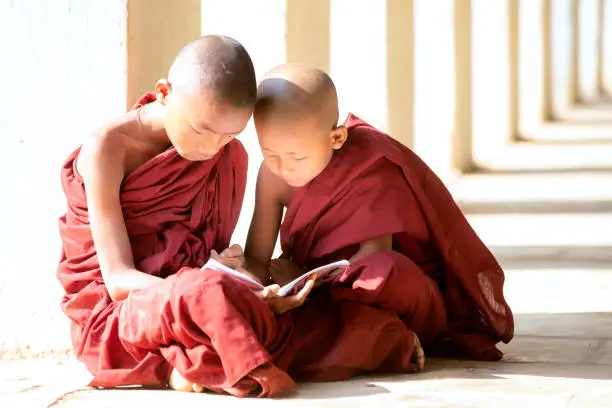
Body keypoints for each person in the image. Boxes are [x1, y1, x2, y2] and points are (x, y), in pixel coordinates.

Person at [56, 36, 304, 398]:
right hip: (121, 314)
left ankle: (183, 366)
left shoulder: (229, 158)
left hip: (188, 301)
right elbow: (118, 281)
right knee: (213, 298)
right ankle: (190, 362)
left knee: (302, 314)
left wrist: (230, 272)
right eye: (201, 130)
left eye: (228, 136)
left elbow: (202, 262)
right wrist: (206, 282)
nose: (209, 148)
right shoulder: (107, 149)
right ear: (164, 91)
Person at [239, 63, 514, 366]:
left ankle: (374, 333)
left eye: (298, 156)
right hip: (313, 291)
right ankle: (377, 338)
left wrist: (314, 284)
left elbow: (372, 256)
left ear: (337, 138)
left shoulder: (369, 166)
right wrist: (266, 288)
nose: (283, 167)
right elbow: (257, 257)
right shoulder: (271, 177)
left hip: (367, 290)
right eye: (269, 153)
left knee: (387, 271)